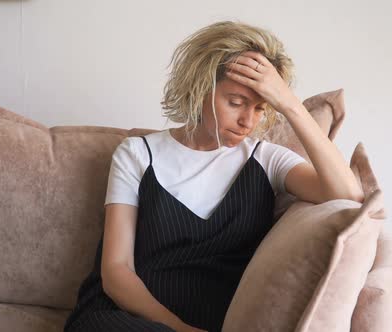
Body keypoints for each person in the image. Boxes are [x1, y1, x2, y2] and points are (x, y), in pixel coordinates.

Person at [63, 20, 363, 332]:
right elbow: (116, 270)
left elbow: (349, 197)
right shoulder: (137, 155)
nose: (247, 120)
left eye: (261, 107)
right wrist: (178, 329)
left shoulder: (266, 159)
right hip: (126, 318)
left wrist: (289, 105)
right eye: (235, 102)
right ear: (200, 88)